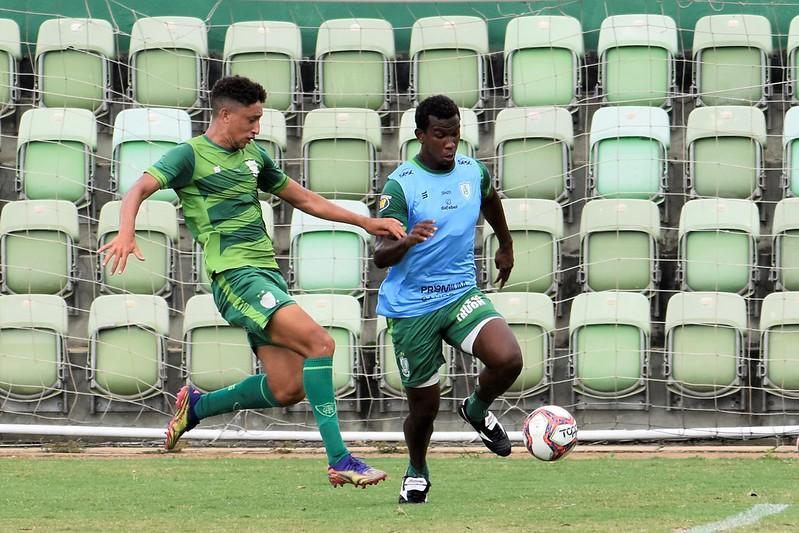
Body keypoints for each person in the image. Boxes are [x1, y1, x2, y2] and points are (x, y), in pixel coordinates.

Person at [98, 75, 404, 488]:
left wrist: (368, 222)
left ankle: (198, 406)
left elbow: (305, 199)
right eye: (252, 119)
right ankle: (340, 459)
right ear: (225, 115)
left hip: (267, 276)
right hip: (234, 277)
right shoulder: (190, 155)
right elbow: (138, 188)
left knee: (288, 388)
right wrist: (126, 231)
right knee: (322, 344)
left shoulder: (255, 157)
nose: (257, 128)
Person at [373, 95, 523, 504]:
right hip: (412, 308)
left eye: (455, 135)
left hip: (459, 294)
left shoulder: (472, 171)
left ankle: (476, 409)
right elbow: (379, 257)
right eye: (440, 135)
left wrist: (505, 245)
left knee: (509, 358)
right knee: (424, 409)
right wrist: (406, 239)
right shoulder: (401, 185)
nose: (450, 143)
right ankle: (417, 469)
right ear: (420, 135)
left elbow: (490, 198)